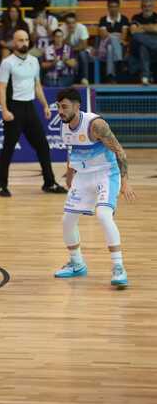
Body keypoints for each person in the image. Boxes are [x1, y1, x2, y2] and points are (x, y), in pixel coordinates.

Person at [54, 87, 136, 287]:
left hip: (106, 174)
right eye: (58, 107)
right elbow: (72, 150)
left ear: (77, 105)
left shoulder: (95, 124)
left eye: (64, 107)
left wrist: (125, 181)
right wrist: (70, 174)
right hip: (83, 176)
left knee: (103, 215)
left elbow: (119, 150)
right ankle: (77, 263)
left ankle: (118, 267)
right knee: (67, 220)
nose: (60, 111)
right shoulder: (64, 125)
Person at [0, 29, 67, 197]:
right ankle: (2, 186)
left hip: (30, 107)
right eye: (20, 40)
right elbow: (1, 88)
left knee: (43, 145)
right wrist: (5, 110)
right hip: (14, 108)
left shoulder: (34, 61)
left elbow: (37, 86)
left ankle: (49, 183)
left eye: (26, 39)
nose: (24, 43)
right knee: (8, 148)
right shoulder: (7, 63)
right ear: (14, 42)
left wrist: (44, 105)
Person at [98, 0, 130, 82]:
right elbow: (103, 36)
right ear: (108, 8)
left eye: (115, 6)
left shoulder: (124, 19)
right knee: (109, 44)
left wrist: (110, 35)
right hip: (104, 46)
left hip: (121, 47)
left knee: (110, 48)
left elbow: (123, 36)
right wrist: (116, 35)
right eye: (111, 6)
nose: (113, 9)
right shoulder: (103, 19)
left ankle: (110, 75)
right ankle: (120, 62)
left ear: (119, 7)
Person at [130, 0, 157, 85]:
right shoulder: (136, 17)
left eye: (149, 6)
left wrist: (141, 27)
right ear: (142, 7)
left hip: (151, 49)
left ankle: (145, 76)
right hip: (137, 49)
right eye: (145, 6)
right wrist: (150, 28)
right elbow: (133, 31)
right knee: (137, 37)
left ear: (152, 7)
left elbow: (156, 29)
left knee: (143, 46)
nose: (147, 8)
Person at [61, 12, 90, 85]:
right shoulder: (62, 28)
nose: (71, 25)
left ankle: (84, 79)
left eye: (73, 23)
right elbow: (63, 45)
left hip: (79, 51)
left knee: (82, 54)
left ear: (76, 22)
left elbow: (83, 46)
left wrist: (72, 49)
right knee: (65, 56)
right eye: (69, 23)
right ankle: (68, 81)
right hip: (67, 51)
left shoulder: (82, 28)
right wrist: (70, 34)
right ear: (65, 23)